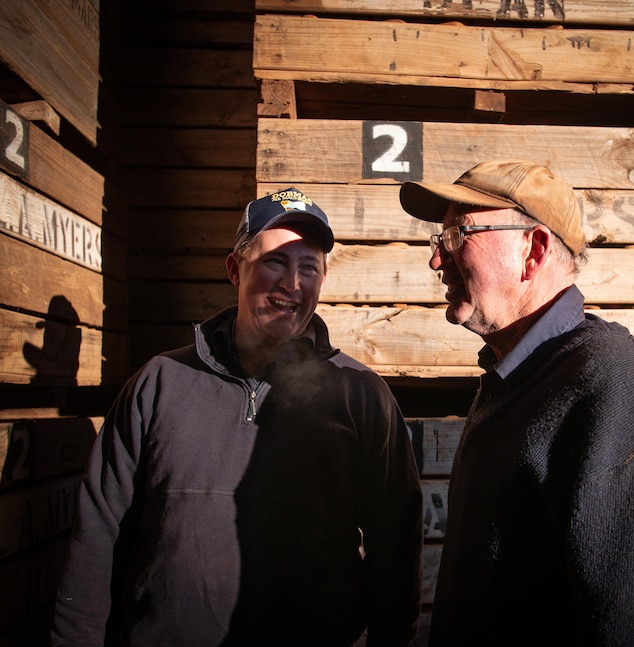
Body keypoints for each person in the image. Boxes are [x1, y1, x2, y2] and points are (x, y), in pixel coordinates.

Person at [52, 188, 424, 646]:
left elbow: (397, 547)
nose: (292, 284)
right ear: (235, 269)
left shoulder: (361, 396)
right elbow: (97, 536)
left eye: (308, 267)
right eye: (275, 262)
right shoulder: (159, 383)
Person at [399, 160, 634, 646]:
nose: (437, 262)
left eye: (458, 237)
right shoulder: (513, 379)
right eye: (439, 242)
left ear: (534, 249)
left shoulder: (612, 384)